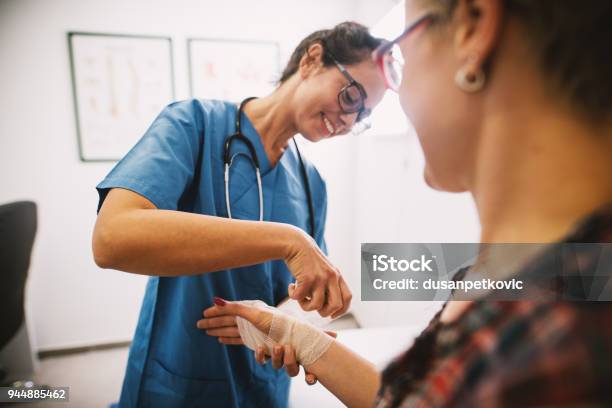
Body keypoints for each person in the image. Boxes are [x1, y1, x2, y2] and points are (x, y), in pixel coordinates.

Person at [199, 0, 612, 406]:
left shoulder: (557, 347)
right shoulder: (522, 279)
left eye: (402, 59)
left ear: (473, 25)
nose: (349, 121)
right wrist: (298, 336)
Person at [92, 22, 387, 407]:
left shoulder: (312, 183)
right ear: (313, 60)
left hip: (264, 384)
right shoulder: (193, 125)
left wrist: (296, 326)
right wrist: (288, 240)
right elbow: (112, 239)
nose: (348, 122)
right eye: (352, 97)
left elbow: (300, 298)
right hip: (180, 378)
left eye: (362, 116)